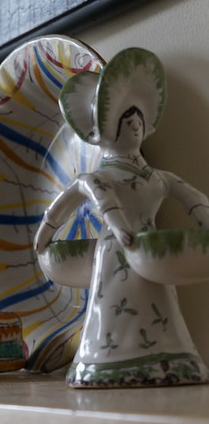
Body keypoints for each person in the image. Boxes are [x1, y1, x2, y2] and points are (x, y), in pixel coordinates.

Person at [34, 47, 209, 388]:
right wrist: (45, 233)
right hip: (115, 251)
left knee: (160, 306)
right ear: (105, 132)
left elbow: (192, 198)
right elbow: (70, 202)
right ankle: (103, 361)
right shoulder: (97, 178)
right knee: (115, 304)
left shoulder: (156, 177)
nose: (134, 127)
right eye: (127, 123)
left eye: (138, 122)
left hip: (148, 250)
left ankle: (170, 359)